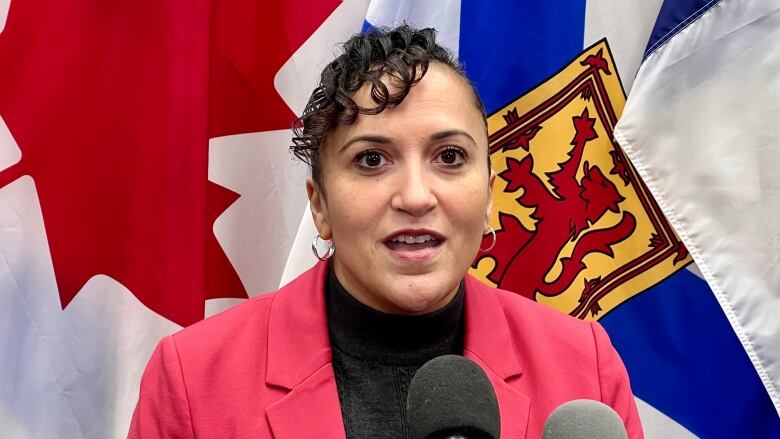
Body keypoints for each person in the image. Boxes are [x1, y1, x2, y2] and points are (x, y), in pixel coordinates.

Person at [128, 25, 643, 438]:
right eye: (372, 159)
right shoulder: (194, 381)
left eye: (449, 156)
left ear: (489, 196)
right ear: (321, 206)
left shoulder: (585, 368)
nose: (416, 196)